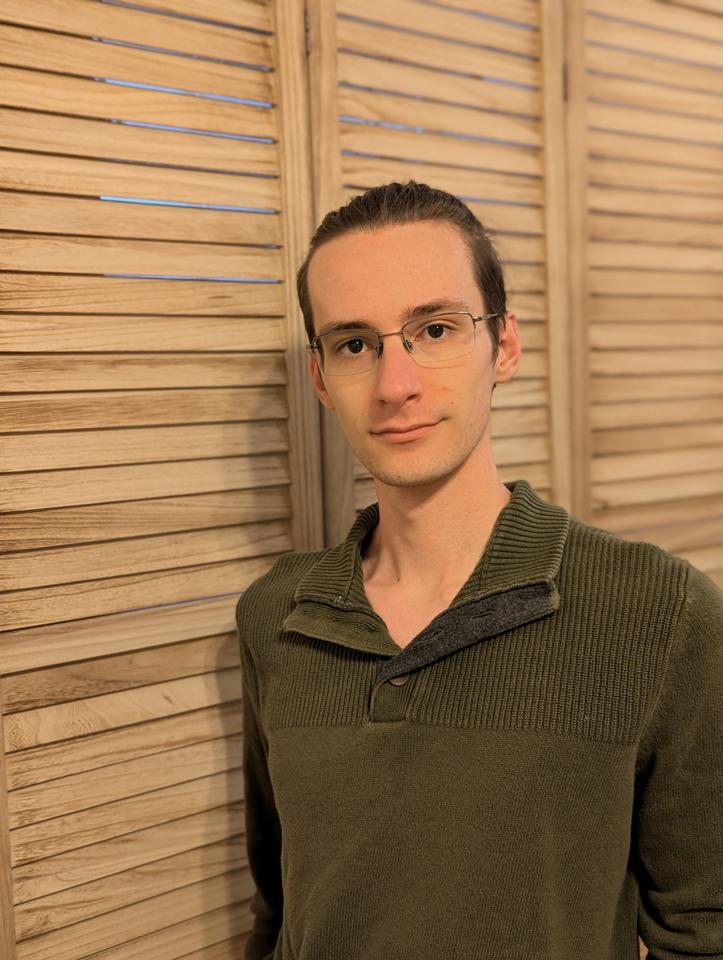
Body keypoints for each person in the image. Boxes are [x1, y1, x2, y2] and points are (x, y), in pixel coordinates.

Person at [235, 181, 723, 960]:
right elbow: (280, 910)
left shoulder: (658, 612)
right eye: (356, 343)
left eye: (434, 328)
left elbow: (704, 928)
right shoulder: (275, 618)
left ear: (502, 346)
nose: (396, 385)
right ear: (321, 379)